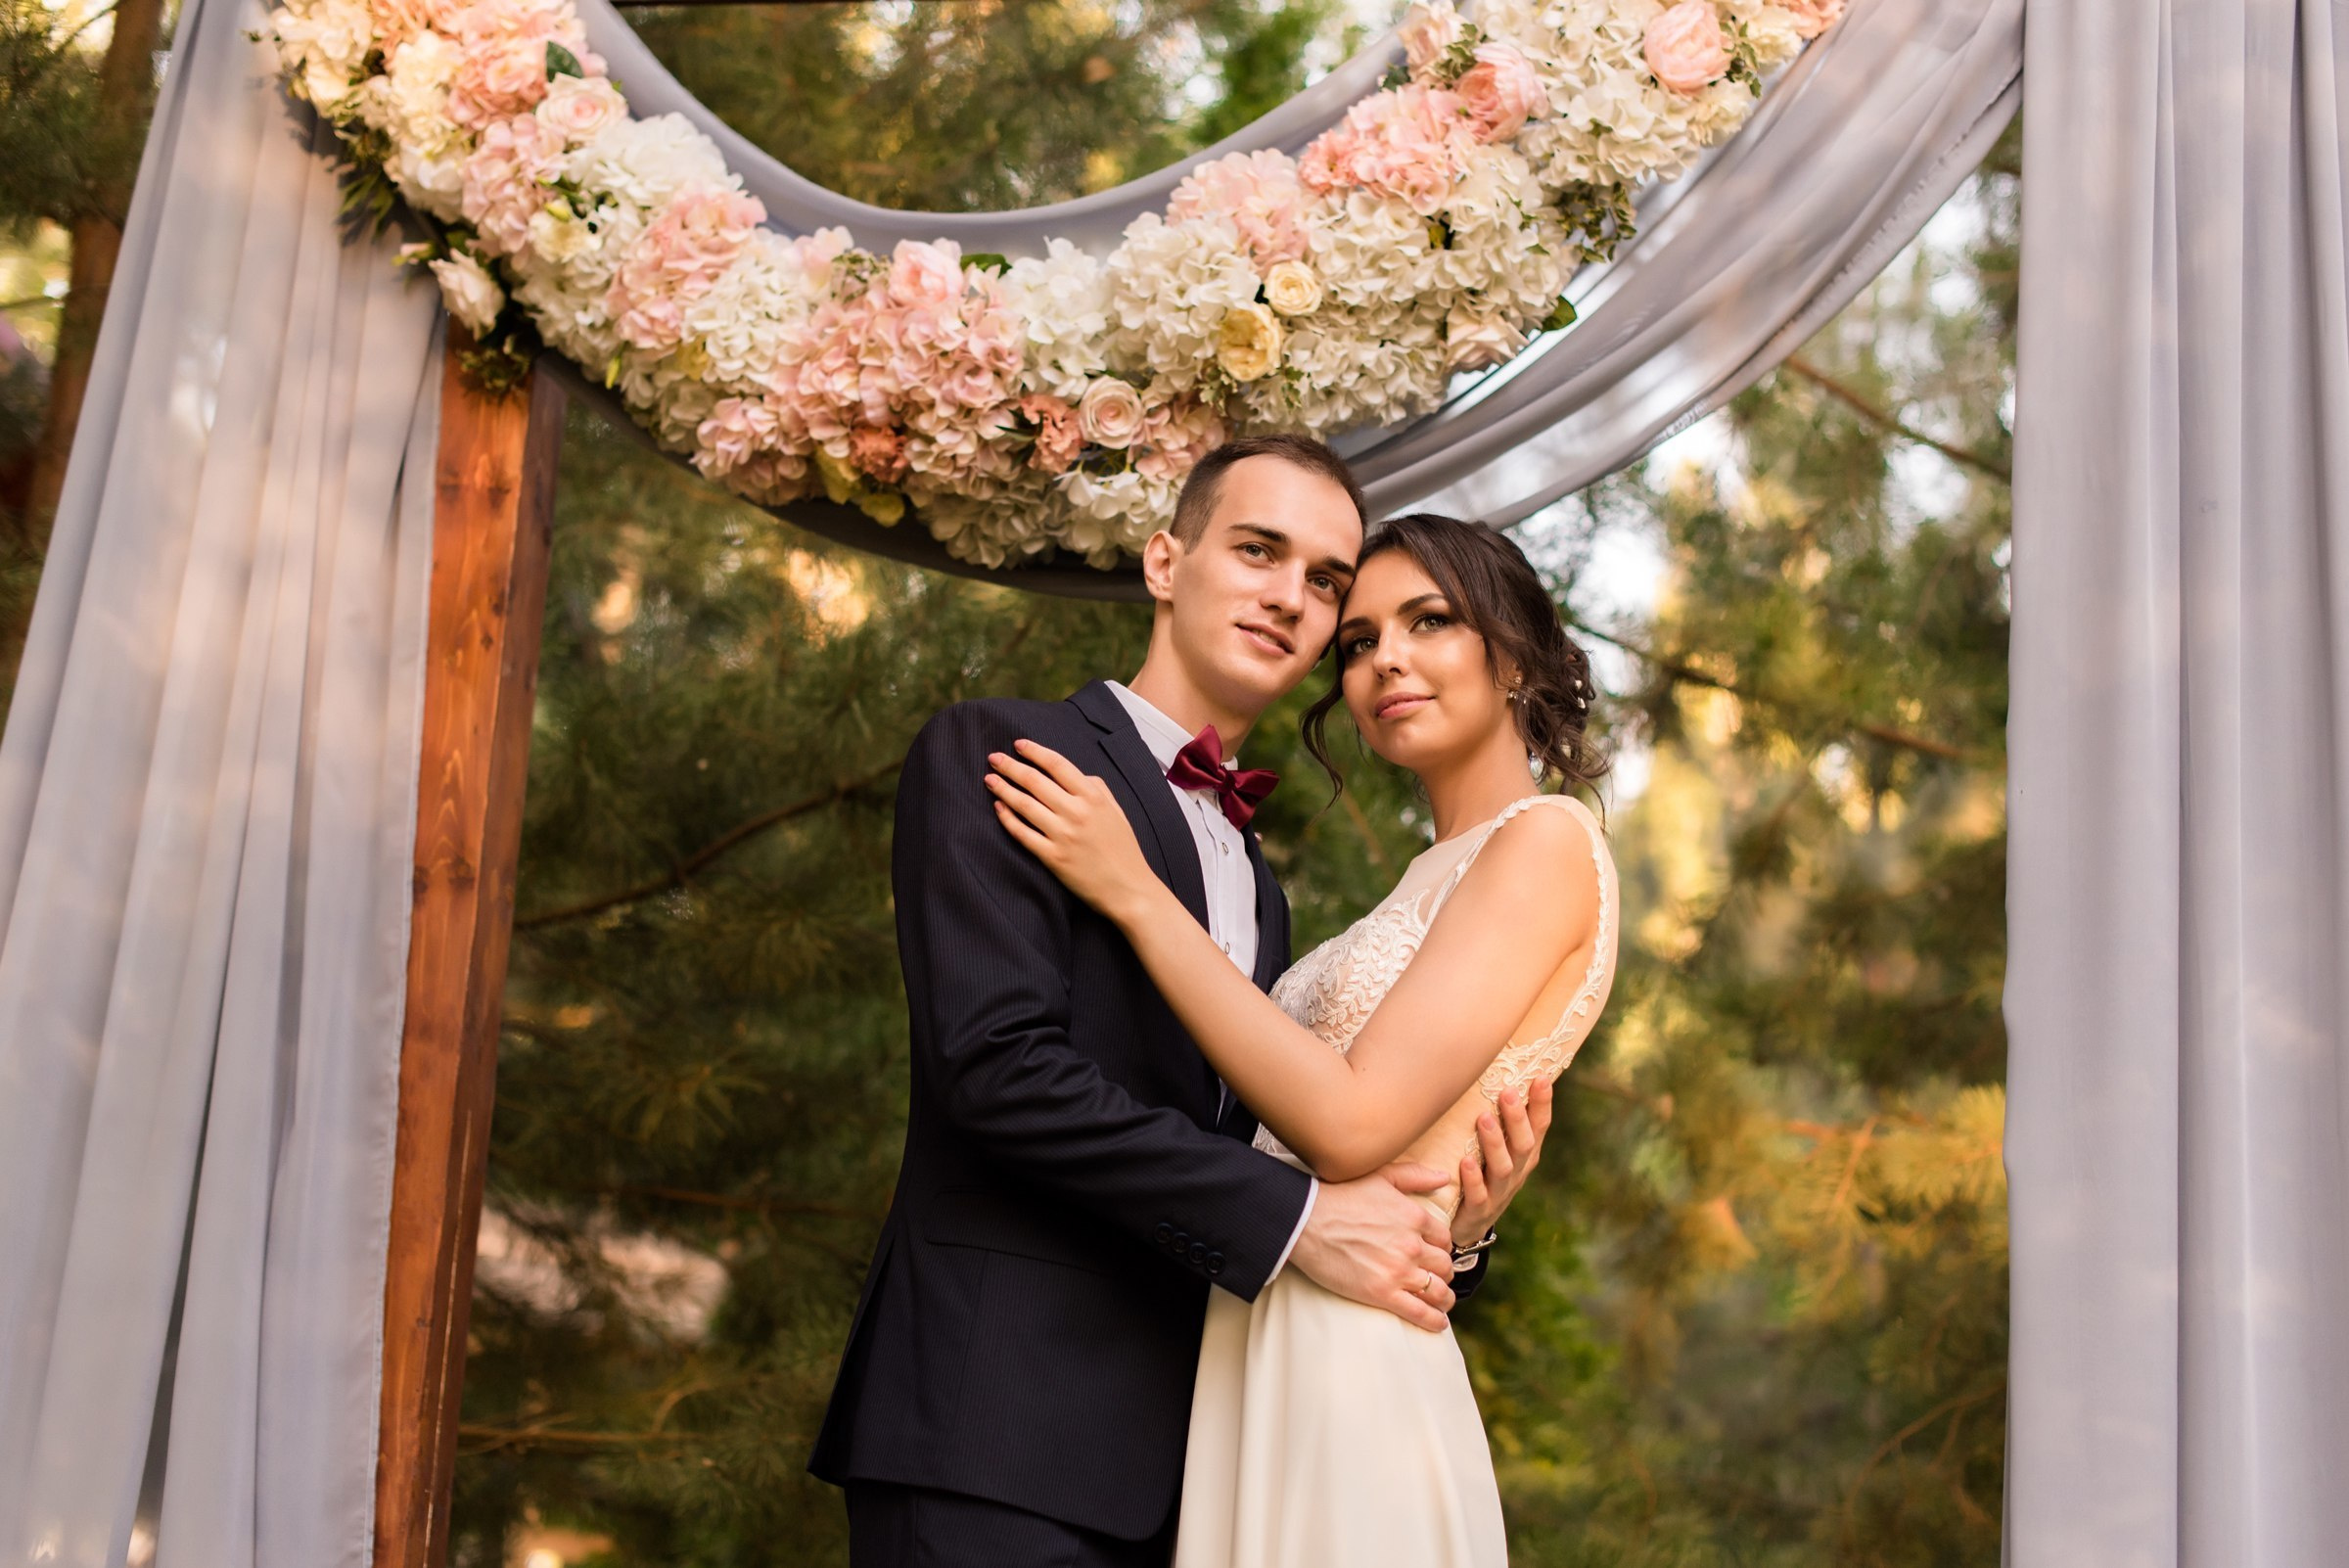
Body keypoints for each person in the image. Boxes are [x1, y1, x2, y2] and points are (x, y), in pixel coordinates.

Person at [808, 442, 1558, 1568]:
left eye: (1323, 583)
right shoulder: (1010, 752)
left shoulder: (1261, 887)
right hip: (993, 1433)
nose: (1289, 597)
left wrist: (1447, 1231)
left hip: (1203, 1463)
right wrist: (1302, 1224)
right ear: (1166, 560)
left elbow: (1267, 1130)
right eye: (1259, 550)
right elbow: (997, 1070)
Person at [984, 512, 1620, 1568]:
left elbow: (1347, 1123)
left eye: (1429, 622)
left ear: (1512, 655)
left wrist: (1137, 896)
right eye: (1360, 640)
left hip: (1350, 1361)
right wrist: (1461, 1235)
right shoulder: (1433, 874)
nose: (1386, 662)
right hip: (1264, 1325)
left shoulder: (1545, 842)